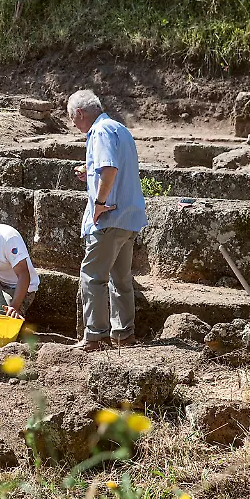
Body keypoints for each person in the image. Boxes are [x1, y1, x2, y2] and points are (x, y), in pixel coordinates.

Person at [68, 90, 148, 351]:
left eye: (72, 118)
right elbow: (112, 168)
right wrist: (90, 172)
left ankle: (96, 336)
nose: (74, 125)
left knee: (92, 276)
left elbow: (110, 169)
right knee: (121, 278)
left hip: (110, 217)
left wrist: (99, 204)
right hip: (129, 217)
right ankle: (124, 334)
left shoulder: (99, 131)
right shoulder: (120, 129)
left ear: (80, 113)